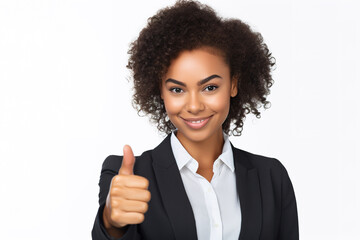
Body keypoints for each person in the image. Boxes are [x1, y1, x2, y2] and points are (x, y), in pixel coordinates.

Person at [92, 0, 299, 239]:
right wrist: (111, 222)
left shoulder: (271, 177)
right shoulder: (128, 176)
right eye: (177, 90)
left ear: (233, 84)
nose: (194, 106)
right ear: (160, 90)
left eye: (210, 87)